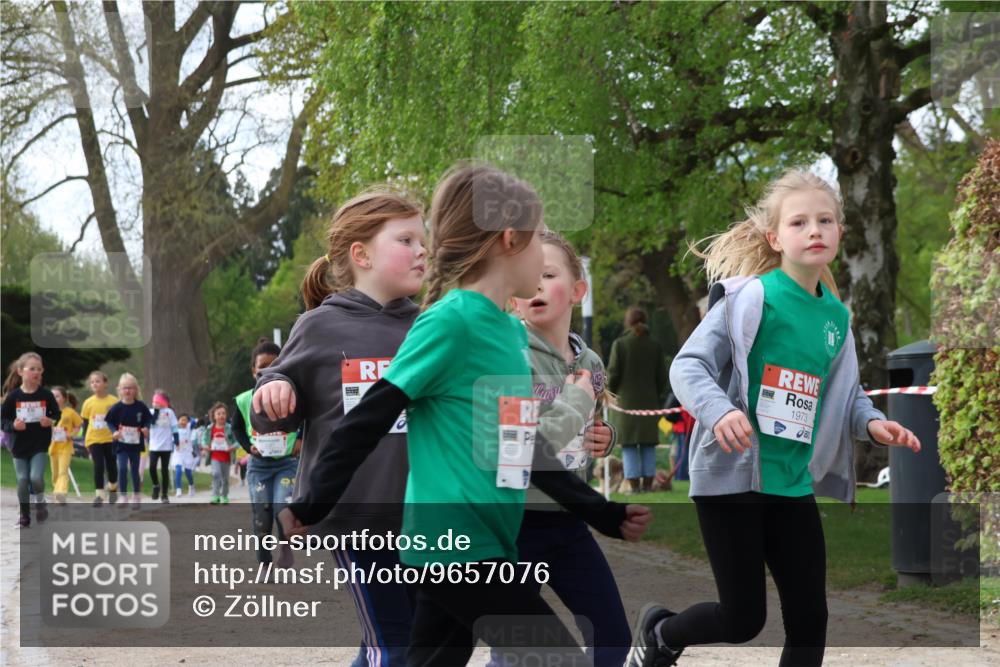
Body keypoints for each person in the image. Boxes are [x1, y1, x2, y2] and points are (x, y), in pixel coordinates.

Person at [273, 164, 652, 666]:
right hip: (453, 550)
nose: (544, 254)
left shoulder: (511, 334)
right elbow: (371, 415)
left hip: (487, 544)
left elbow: (524, 449)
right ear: (510, 240)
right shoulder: (450, 321)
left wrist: (600, 511)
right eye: (540, 240)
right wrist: (314, 502)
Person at [626, 169, 922, 667]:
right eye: (799, 222)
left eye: (825, 220)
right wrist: (718, 411)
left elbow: (844, 396)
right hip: (731, 479)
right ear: (774, 238)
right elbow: (688, 365)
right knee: (743, 620)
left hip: (791, 483)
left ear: (840, 233)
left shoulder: (836, 319)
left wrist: (872, 423)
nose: (814, 230)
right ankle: (661, 633)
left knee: (811, 618)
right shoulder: (751, 298)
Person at [252, 188, 426, 665]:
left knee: (405, 642)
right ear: (361, 254)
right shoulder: (320, 326)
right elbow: (273, 397)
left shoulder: (429, 326)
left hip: (423, 515)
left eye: (423, 240)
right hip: (356, 517)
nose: (422, 250)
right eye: (407, 239)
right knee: (396, 645)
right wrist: (275, 391)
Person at [485, 230, 630, 667]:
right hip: (517, 522)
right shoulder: (508, 355)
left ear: (578, 291)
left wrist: (604, 439)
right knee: (518, 650)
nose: (537, 287)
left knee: (613, 639)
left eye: (548, 275)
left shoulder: (592, 363)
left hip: (570, 521)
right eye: (528, 279)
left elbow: (589, 428)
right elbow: (522, 446)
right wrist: (577, 400)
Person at [232, 338, 301, 569]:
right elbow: (237, 427)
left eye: (275, 364)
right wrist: (247, 446)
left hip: (286, 463)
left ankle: (286, 550)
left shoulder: (292, 394)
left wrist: (300, 441)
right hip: (259, 467)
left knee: (283, 508)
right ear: (254, 371)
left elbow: (308, 420)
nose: (268, 370)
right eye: (262, 367)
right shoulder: (244, 400)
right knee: (262, 515)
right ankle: (264, 562)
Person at [607, 306, 668, 493]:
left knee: (629, 445)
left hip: (626, 405)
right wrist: (655, 396)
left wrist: (609, 394)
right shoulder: (655, 345)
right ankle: (648, 486)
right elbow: (662, 378)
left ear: (628, 322)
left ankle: (634, 487)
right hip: (650, 404)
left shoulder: (620, 344)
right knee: (648, 444)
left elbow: (613, 374)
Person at [1, 352, 60, 527]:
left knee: (35, 478)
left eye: (39, 369)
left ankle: (41, 503)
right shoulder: (13, 397)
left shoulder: (46, 395)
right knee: (22, 479)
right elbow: (3, 420)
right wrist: (14, 426)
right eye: (32, 368)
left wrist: (50, 420)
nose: (36, 372)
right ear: (21, 371)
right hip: (19, 445)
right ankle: (24, 515)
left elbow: (56, 413)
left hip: (39, 444)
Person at [105, 373, 152, 510]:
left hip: (135, 445)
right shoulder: (116, 407)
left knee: (134, 471)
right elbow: (109, 421)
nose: (128, 391)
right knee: (122, 468)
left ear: (136, 389)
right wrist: (114, 431)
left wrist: (146, 428)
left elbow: (148, 419)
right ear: (119, 389)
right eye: (125, 388)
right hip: (121, 444)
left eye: (131, 388)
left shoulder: (140, 406)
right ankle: (123, 496)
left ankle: (136, 495)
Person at [80, 371, 119, 505]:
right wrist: (85, 439)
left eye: (98, 381)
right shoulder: (88, 403)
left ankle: (113, 488)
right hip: (94, 439)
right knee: (99, 466)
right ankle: (99, 495)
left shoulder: (114, 401)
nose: (95, 384)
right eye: (92, 382)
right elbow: (85, 422)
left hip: (110, 439)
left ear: (105, 383)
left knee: (111, 465)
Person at [49, 386, 83, 504]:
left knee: (63, 472)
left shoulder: (70, 412)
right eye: (52, 396)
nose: (54, 398)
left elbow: (78, 426)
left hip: (66, 447)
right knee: (55, 474)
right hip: (53, 447)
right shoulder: (49, 412)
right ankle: (57, 493)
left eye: (57, 396)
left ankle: (61, 493)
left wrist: (72, 434)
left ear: (64, 398)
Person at [147, 390, 179, 502]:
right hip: (154, 446)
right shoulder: (150, 411)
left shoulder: (169, 412)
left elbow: (174, 427)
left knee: (164, 470)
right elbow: (150, 423)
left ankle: (164, 494)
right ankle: (156, 485)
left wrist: (177, 440)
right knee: (152, 467)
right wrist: (156, 411)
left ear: (163, 402)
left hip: (166, 446)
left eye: (157, 401)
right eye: (153, 401)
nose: (154, 403)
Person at [202, 402, 237, 504]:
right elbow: (204, 440)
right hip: (214, 457)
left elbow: (237, 441)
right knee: (216, 474)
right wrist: (205, 446)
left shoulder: (229, 428)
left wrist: (232, 447)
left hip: (226, 457)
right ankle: (215, 495)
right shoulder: (210, 428)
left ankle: (224, 496)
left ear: (226, 415)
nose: (221, 416)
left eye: (223, 413)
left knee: (225, 479)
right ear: (214, 416)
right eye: (218, 413)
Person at [172, 413, 197, 497]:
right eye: (181, 420)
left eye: (185, 420)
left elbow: (194, 421)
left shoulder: (189, 428)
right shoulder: (174, 430)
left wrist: (189, 418)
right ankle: (178, 489)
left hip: (187, 454)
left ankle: (191, 486)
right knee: (178, 471)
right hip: (178, 454)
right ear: (178, 421)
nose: (183, 422)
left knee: (188, 472)